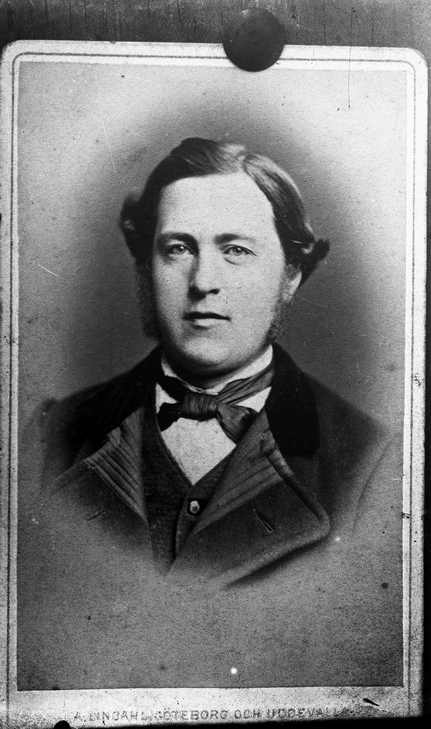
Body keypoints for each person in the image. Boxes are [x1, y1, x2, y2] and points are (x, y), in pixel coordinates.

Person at [18, 138, 402, 690]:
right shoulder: (49, 437)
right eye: (178, 248)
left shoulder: (373, 462)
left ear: (291, 273)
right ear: (146, 267)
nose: (202, 282)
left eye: (236, 250)